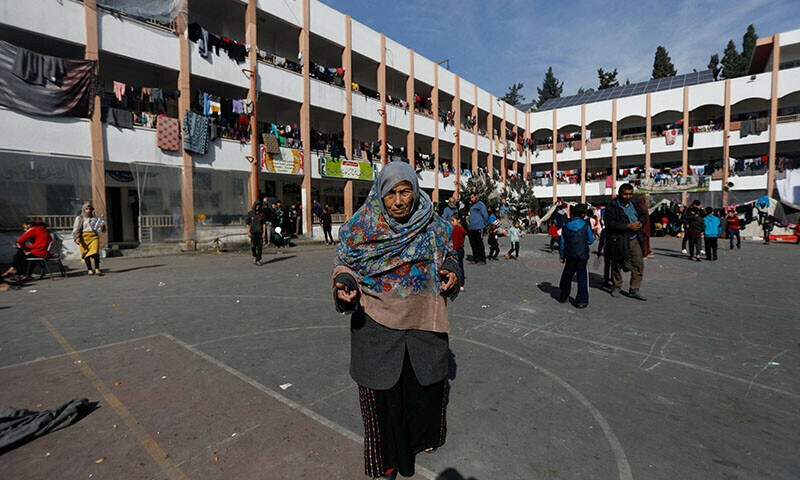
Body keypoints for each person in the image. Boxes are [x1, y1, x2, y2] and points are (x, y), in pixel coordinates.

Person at [331, 161, 461, 480]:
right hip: (376, 326)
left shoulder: (434, 225)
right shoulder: (360, 228)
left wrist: (452, 271)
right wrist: (344, 285)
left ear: (415, 191)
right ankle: (386, 463)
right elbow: (343, 265)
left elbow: (450, 255)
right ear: (380, 194)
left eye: (405, 192)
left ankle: (418, 444)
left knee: (421, 395)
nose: (399, 201)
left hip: (422, 325)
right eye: (391, 194)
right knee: (382, 403)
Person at [604, 184, 647, 300]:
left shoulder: (635, 204)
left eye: (630, 194)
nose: (628, 196)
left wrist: (640, 223)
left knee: (638, 264)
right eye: (625, 194)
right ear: (619, 193)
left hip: (634, 239)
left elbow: (643, 216)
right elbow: (610, 223)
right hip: (619, 239)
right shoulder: (612, 206)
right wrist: (627, 226)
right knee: (617, 264)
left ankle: (634, 289)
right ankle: (616, 286)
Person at [558, 203, 594, 308]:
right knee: (582, 278)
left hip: (570, 255)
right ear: (583, 214)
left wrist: (561, 255)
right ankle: (581, 301)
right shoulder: (585, 225)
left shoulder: (566, 226)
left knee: (567, 276)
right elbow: (591, 240)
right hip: (582, 256)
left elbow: (562, 243)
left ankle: (564, 296)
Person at [72, 203, 105, 276]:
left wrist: (102, 226)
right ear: (83, 210)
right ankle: (89, 269)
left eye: (90, 209)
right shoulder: (80, 218)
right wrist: (76, 237)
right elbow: (76, 228)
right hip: (84, 237)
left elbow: (100, 229)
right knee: (86, 253)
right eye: (86, 209)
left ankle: (97, 269)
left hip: (94, 236)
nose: (88, 210)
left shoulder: (95, 218)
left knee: (95, 252)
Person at [466, 192, 488, 264]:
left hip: (479, 227)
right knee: (473, 244)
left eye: (472, 197)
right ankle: (475, 258)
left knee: (479, 244)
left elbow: (485, 215)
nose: (471, 199)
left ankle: (482, 259)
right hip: (472, 228)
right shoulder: (471, 206)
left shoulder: (480, 204)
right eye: (470, 198)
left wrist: (485, 225)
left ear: (476, 197)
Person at [450, 214, 467, 291]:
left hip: (456, 249)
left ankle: (458, 283)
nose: (451, 222)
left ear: (458, 220)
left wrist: (452, 250)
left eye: (453, 220)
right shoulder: (461, 228)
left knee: (456, 267)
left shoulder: (456, 229)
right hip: (461, 249)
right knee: (460, 266)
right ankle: (461, 284)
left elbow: (455, 241)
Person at [246, 201, 266, 265]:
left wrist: (264, 232)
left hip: (260, 232)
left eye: (259, 205)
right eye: (256, 205)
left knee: (260, 246)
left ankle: (258, 259)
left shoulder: (262, 214)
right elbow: (247, 223)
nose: (258, 207)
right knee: (253, 246)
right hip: (253, 233)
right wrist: (248, 232)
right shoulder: (250, 213)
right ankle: (255, 256)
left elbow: (264, 224)